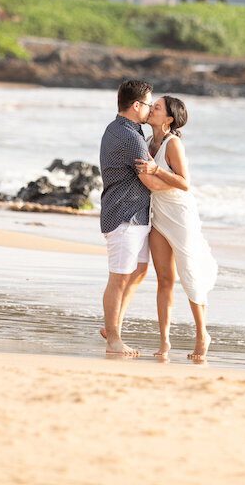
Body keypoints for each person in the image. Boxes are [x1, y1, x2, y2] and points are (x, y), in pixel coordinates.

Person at [135, 95, 218, 361]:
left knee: (189, 273)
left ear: (168, 119)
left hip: (181, 215)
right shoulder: (148, 142)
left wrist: (156, 169)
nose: (151, 110)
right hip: (158, 214)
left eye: (156, 107)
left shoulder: (173, 144)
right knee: (164, 280)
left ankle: (202, 334)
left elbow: (184, 183)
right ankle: (164, 342)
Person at [98, 79, 154, 357]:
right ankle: (114, 339)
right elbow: (150, 179)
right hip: (124, 215)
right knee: (118, 279)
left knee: (139, 272)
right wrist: (181, 182)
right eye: (148, 104)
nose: (151, 109)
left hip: (137, 215)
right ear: (136, 105)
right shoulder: (129, 137)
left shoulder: (124, 129)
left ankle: (113, 326)